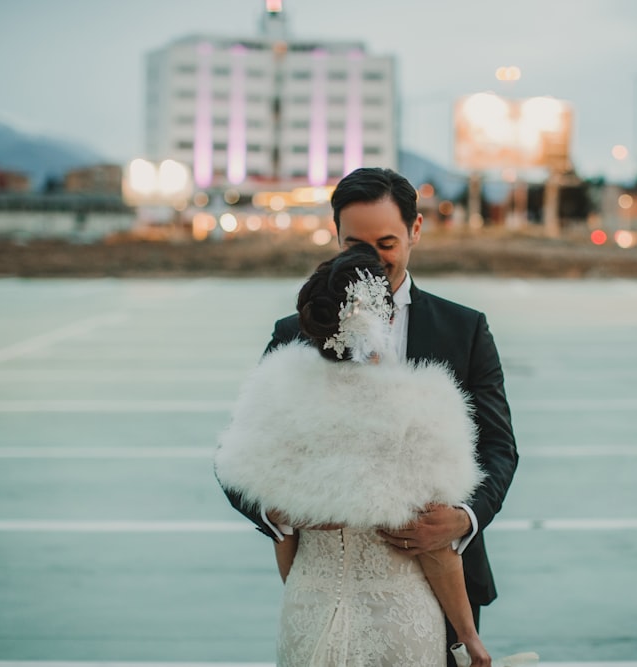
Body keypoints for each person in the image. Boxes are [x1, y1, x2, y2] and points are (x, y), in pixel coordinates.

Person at [221, 167, 518, 666]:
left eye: (386, 243)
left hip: (436, 583)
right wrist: (280, 514)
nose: (370, 260)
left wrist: (461, 519)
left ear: (415, 231)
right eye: (354, 243)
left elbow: (498, 447)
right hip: (321, 583)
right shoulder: (294, 331)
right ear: (335, 236)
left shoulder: (463, 329)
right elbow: (237, 456)